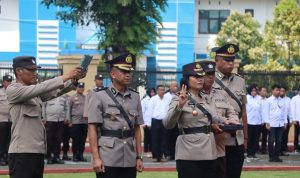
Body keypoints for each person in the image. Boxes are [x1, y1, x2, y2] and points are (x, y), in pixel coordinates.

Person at [7, 56, 85, 178]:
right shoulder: (13, 90)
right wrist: (66, 76)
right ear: (19, 71)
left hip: (36, 151)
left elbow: (54, 92)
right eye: (31, 70)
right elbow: (42, 87)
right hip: (22, 153)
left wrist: (73, 81)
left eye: (35, 70)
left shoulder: (33, 93)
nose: (35, 73)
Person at [163, 61, 238, 178]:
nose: (200, 79)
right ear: (187, 79)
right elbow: (168, 124)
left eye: (201, 76)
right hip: (189, 153)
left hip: (209, 152)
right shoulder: (179, 98)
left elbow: (213, 116)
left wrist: (226, 121)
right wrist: (180, 106)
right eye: (196, 77)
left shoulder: (205, 98)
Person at [88, 53, 144, 178]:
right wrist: (96, 158)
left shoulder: (135, 97)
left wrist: (139, 157)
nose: (128, 74)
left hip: (129, 156)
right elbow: (92, 127)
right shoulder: (99, 95)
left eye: (129, 71)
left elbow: (137, 128)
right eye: (124, 71)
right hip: (108, 156)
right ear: (113, 74)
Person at [212, 43, 248, 178]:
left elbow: (243, 111)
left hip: (237, 139)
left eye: (232, 60)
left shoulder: (240, 81)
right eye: (227, 60)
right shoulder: (209, 79)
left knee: (234, 174)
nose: (230, 64)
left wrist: (245, 137)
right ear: (216, 60)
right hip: (218, 138)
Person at [201, 60, 239, 178]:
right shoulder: (193, 95)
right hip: (200, 150)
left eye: (212, 74)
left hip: (219, 148)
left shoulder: (222, 94)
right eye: (207, 74)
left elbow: (231, 112)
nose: (210, 77)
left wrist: (233, 122)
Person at [263, 84, 288, 162]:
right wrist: (267, 123)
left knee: (279, 140)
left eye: (279, 90)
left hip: (280, 124)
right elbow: (265, 112)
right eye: (277, 90)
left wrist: (285, 122)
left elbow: (284, 112)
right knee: (271, 141)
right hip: (272, 124)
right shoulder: (268, 100)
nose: (278, 92)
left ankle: (276, 156)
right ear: (272, 90)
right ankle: (271, 157)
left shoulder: (282, 100)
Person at [145, 85, 170, 162]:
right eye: (160, 90)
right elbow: (149, 111)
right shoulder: (153, 99)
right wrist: (148, 123)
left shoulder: (167, 99)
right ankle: (156, 156)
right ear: (157, 91)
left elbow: (168, 110)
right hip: (155, 121)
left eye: (163, 90)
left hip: (164, 121)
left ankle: (162, 155)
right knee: (155, 139)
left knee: (164, 139)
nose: (162, 91)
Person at [43, 95, 67, 164]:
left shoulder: (63, 96)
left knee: (58, 139)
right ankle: (49, 157)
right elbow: (43, 107)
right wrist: (44, 118)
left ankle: (57, 156)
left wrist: (66, 117)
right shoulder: (47, 96)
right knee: (49, 139)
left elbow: (66, 108)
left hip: (60, 120)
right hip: (50, 120)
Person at [67, 82, 87, 162]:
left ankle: (81, 155)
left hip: (84, 122)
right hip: (75, 122)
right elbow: (69, 109)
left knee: (83, 140)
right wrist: (69, 121)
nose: (81, 89)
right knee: (75, 140)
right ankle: (75, 155)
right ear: (77, 88)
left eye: (82, 87)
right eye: (79, 87)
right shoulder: (72, 98)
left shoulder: (85, 98)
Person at [246, 84, 263, 159]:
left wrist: (262, 120)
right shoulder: (246, 98)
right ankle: (249, 153)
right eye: (252, 91)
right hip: (249, 122)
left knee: (256, 139)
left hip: (258, 122)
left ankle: (253, 153)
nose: (254, 92)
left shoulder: (259, 98)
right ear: (249, 91)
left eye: (255, 91)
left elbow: (262, 110)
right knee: (249, 138)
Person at [163, 81, 179, 160]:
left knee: (175, 137)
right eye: (173, 86)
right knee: (167, 138)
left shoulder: (179, 95)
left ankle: (175, 154)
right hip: (168, 119)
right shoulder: (165, 96)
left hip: (176, 120)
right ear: (170, 87)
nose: (175, 88)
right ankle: (168, 154)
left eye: (176, 86)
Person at [0, 75, 13, 166]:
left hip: (11, 119)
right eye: (7, 81)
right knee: (2, 139)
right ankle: (1, 157)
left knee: (10, 139)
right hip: (2, 119)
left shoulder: (13, 92)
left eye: (10, 81)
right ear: (3, 82)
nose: (8, 83)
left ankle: (8, 157)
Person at [141, 87, 156, 157]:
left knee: (154, 137)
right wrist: (143, 123)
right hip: (146, 122)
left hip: (154, 121)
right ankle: (147, 151)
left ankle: (154, 151)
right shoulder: (145, 101)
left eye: (153, 92)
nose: (152, 93)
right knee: (147, 138)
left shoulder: (156, 99)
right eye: (151, 92)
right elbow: (142, 112)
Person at [279, 86, 291, 156]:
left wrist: (291, 120)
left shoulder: (288, 100)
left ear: (285, 92)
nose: (282, 92)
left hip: (287, 119)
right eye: (280, 91)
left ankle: (284, 150)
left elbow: (290, 110)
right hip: (279, 120)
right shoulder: (277, 99)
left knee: (285, 136)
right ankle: (278, 150)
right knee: (279, 136)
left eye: (283, 91)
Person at [258, 87, 269, 154]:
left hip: (265, 122)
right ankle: (257, 148)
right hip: (258, 122)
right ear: (259, 92)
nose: (265, 92)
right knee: (257, 136)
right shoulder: (257, 100)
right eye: (263, 91)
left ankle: (263, 149)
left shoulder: (268, 100)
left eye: (266, 91)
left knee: (265, 136)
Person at [290, 85, 300, 153]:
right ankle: (296, 148)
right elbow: (292, 109)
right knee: (296, 134)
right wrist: (293, 119)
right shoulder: (294, 98)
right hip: (297, 120)